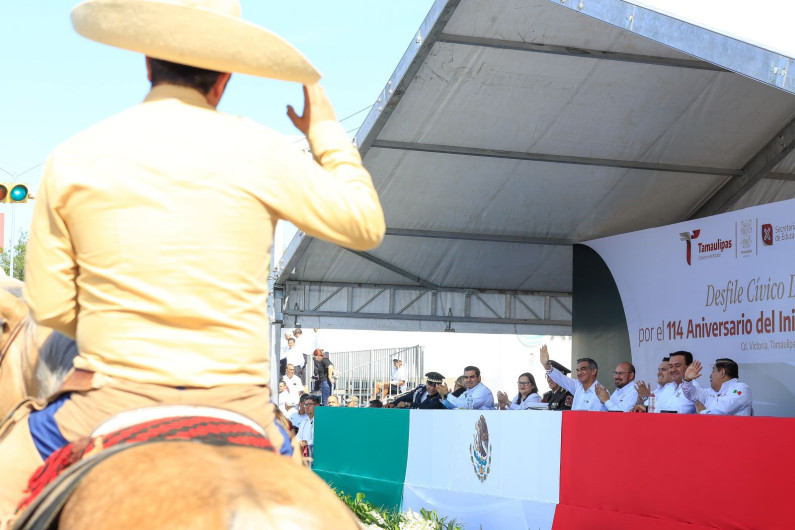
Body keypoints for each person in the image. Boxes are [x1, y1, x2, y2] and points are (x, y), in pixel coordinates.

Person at [0, 0, 385, 515]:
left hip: (110, 398)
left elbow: (47, 307)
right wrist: (325, 135)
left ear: (146, 62)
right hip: (242, 405)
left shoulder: (75, 155)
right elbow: (365, 224)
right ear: (225, 76)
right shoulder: (262, 150)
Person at [540, 345, 607, 411]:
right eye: (578, 370)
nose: (579, 373)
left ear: (593, 371)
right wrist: (546, 366)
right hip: (574, 421)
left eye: (583, 369)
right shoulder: (577, 385)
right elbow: (561, 379)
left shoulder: (602, 392)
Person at [682, 358, 753, 415]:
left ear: (722, 373)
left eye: (713, 371)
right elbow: (692, 395)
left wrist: (703, 413)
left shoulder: (741, 388)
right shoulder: (710, 392)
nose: (710, 375)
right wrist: (687, 380)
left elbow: (724, 409)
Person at [297, 395, 321, 466]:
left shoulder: (321, 420)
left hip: (317, 458)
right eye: (305, 404)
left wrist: (307, 442)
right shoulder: (304, 421)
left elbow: (319, 439)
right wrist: (300, 442)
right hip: (305, 457)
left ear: (317, 405)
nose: (307, 407)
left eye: (310, 404)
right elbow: (298, 436)